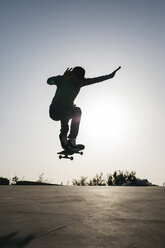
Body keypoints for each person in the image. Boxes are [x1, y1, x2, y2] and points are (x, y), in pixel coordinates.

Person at [47, 66, 121, 150]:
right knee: (66, 111)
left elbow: (95, 80)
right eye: (76, 78)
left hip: (66, 110)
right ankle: (63, 137)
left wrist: (110, 76)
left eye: (79, 79)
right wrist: (62, 78)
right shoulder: (63, 80)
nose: (77, 81)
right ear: (72, 75)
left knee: (77, 111)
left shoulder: (80, 82)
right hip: (55, 111)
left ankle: (72, 140)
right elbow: (49, 81)